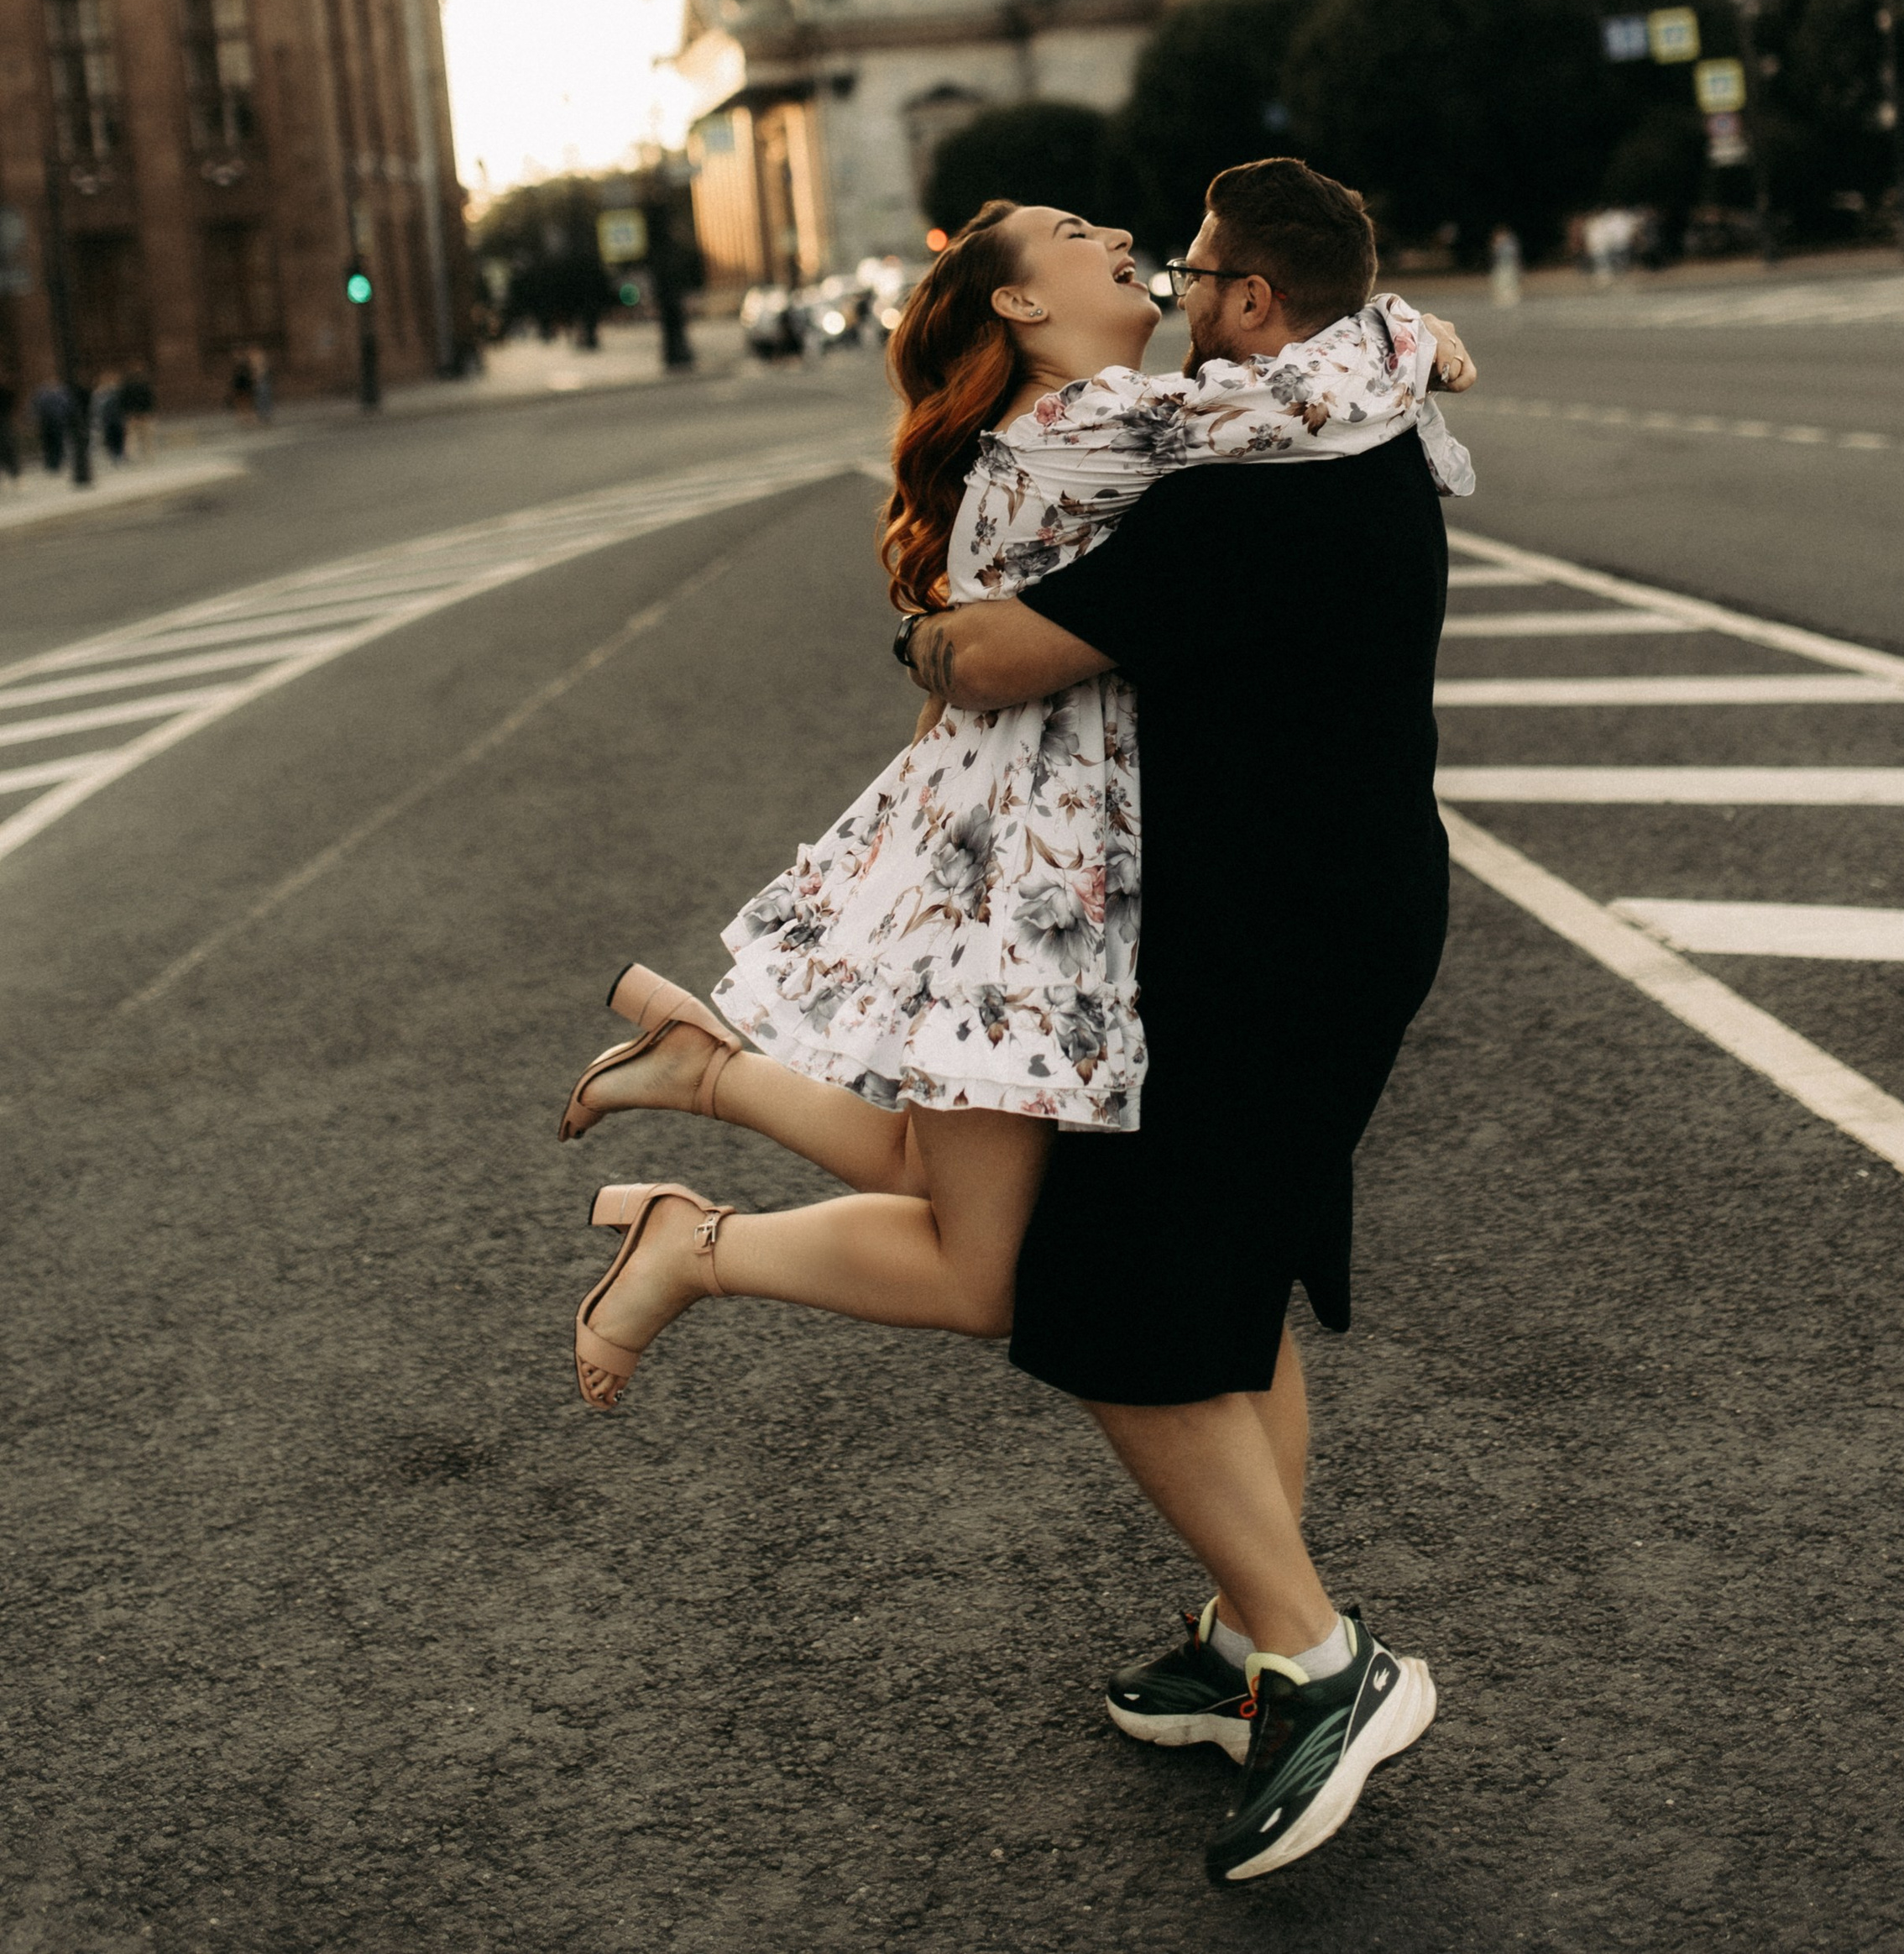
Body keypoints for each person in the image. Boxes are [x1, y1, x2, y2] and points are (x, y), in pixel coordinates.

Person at [555, 201, 1473, 1443]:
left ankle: (706, 1081)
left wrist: (1394, 333)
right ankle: (694, 1236)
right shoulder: (1081, 426)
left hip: (1027, 853)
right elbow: (1285, 408)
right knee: (980, 1260)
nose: (1112, 230)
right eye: (1069, 228)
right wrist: (1404, 333)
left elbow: (1277, 404)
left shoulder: (1074, 426)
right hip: (1023, 875)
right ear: (1021, 305)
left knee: (941, 1181)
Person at [900, 159, 1467, 1885]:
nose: (1164, 271)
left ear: (1246, 303)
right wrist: (1416, 333)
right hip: (1318, 912)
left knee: (1112, 1307)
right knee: (1224, 1298)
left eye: (1194, 265)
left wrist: (923, 632)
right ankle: (1242, 1639)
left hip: (1270, 938)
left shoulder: (1238, 493)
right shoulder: (1334, 416)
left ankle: (1317, 1658)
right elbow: (1376, 352)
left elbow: (1000, 657)